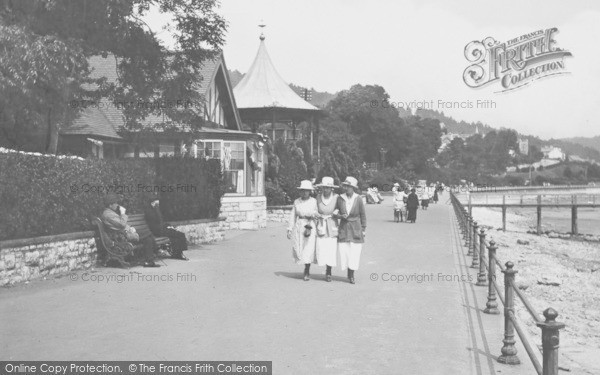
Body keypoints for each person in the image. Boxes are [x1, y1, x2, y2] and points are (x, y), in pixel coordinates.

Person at [101, 193, 159, 267]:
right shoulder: (107, 214)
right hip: (123, 236)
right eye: (115, 203)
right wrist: (123, 213)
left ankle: (150, 260)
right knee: (148, 234)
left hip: (125, 233)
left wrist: (131, 228)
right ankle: (154, 254)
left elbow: (120, 224)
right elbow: (122, 224)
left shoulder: (110, 213)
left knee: (148, 237)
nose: (117, 205)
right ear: (110, 205)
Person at [336, 176, 366, 284]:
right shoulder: (340, 198)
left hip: (356, 227)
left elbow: (362, 214)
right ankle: (348, 271)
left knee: (354, 251)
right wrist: (340, 215)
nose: (346, 188)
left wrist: (363, 229)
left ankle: (352, 274)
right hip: (344, 227)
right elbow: (335, 211)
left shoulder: (358, 198)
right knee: (345, 250)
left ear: (353, 188)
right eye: (345, 186)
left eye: (349, 186)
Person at [287, 180, 319, 281]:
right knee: (299, 247)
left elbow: (317, 214)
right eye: (303, 190)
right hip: (300, 225)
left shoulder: (313, 201)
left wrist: (314, 216)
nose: (304, 193)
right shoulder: (297, 201)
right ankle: (304, 266)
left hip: (310, 225)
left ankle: (307, 270)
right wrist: (289, 229)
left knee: (308, 248)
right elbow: (293, 215)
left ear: (310, 192)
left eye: (307, 191)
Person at [144, 194, 189, 260]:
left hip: (162, 229)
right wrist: (156, 209)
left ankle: (177, 254)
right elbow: (158, 220)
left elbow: (161, 222)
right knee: (180, 235)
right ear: (152, 203)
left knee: (176, 236)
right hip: (158, 231)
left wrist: (168, 226)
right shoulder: (149, 211)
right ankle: (178, 254)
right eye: (157, 204)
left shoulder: (154, 210)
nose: (158, 205)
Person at [315, 177, 340, 282]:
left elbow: (341, 209)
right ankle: (323, 267)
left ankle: (329, 272)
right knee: (321, 248)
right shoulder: (318, 197)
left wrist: (336, 212)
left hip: (332, 225)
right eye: (324, 188)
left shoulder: (336, 197)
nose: (326, 190)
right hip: (321, 224)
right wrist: (317, 214)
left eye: (328, 188)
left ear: (332, 188)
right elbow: (315, 209)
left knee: (331, 249)